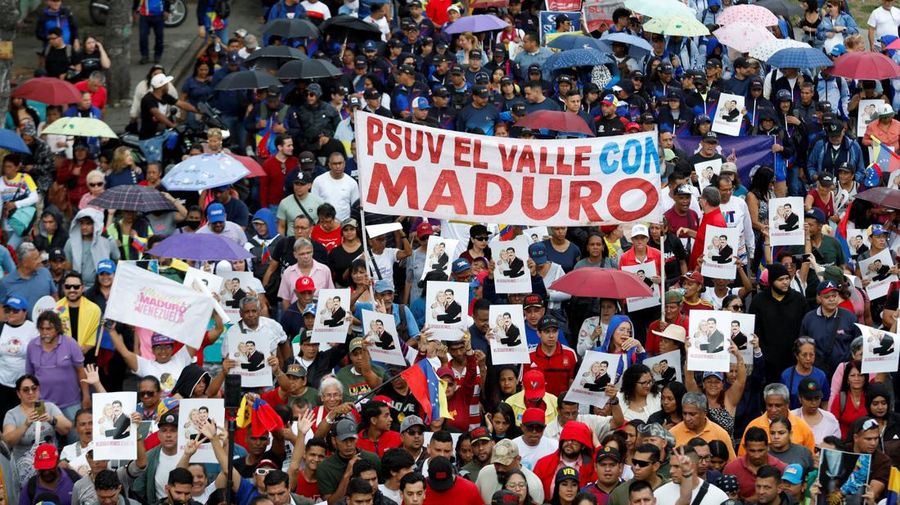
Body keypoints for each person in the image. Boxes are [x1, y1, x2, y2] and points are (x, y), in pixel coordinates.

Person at [652, 445, 728, 505]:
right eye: (671, 466)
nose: (671, 471)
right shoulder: (659, 495)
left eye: (677, 466)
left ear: (692, 466)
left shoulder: (718, 496)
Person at [790, 377, 841, 445]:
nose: (813, 402)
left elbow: (836, 448)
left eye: (817, 398)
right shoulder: (790, 417)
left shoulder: (831, 420)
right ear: (800, 398)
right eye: (809, 399)